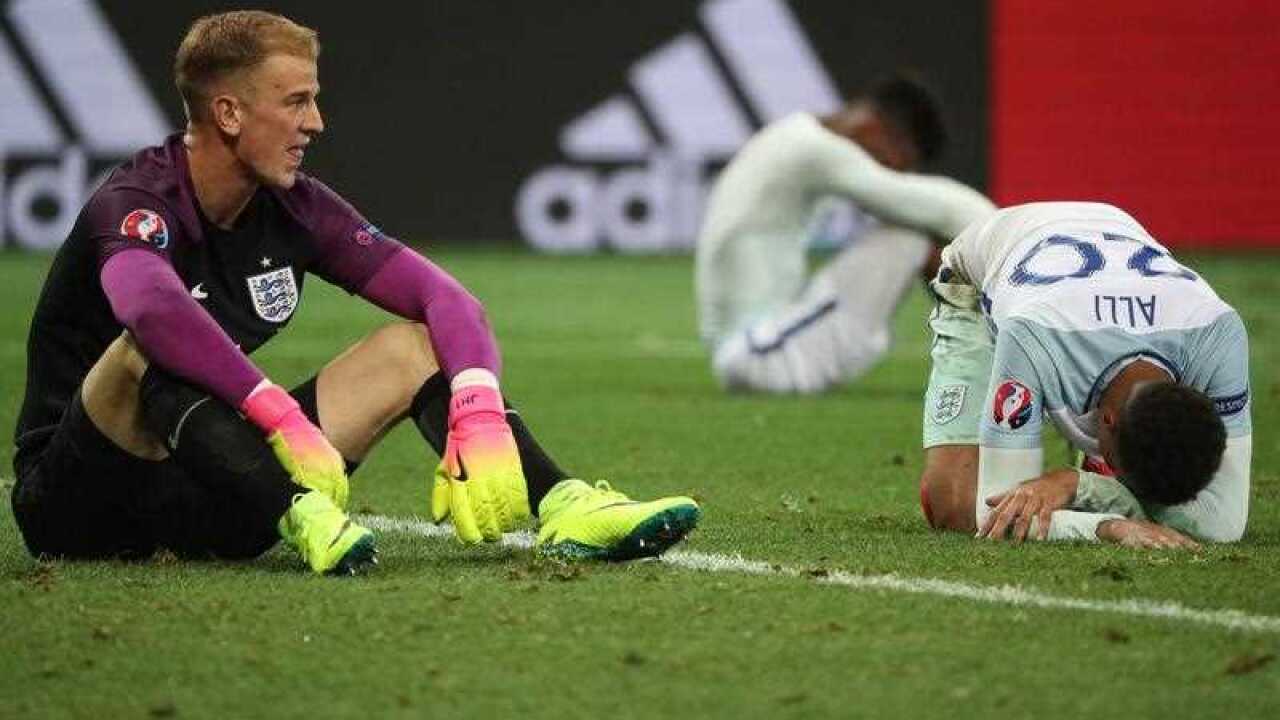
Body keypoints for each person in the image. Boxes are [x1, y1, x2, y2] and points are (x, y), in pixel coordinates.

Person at [10, 11, 700, 575]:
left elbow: (447, 301)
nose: (316, 122)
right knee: (148, 346)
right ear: (228, 113)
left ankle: (563, 502)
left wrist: (479, 407)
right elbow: (151, 309)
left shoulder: (297, 207)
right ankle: (298, 511)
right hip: (79, 505)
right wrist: (278, 415)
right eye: (296, 101)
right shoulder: (137, 201)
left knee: (415, 347)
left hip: (216, 491)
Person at [919, 202, 1250, 547]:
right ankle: (1102, 477)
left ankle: (1097, 475)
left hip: (1105, 241)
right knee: (957, 507)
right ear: (1105, 421)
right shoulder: (1033, 334)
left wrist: (1076, 485)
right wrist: (1110, 527)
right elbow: (998, 516)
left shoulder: (1218, 332)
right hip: (980, 276)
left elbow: (1224, 523)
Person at [694, 73, 995, 393]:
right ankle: (992, 352)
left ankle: (985, 350)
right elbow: (934, 207)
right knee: (909, 239)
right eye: (897, 160)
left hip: (753, 347)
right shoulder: (814, 148)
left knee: (916, 234)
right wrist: (1005, 229)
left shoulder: (793, 135)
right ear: (875, 125)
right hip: (757, 357)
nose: (892, 167)